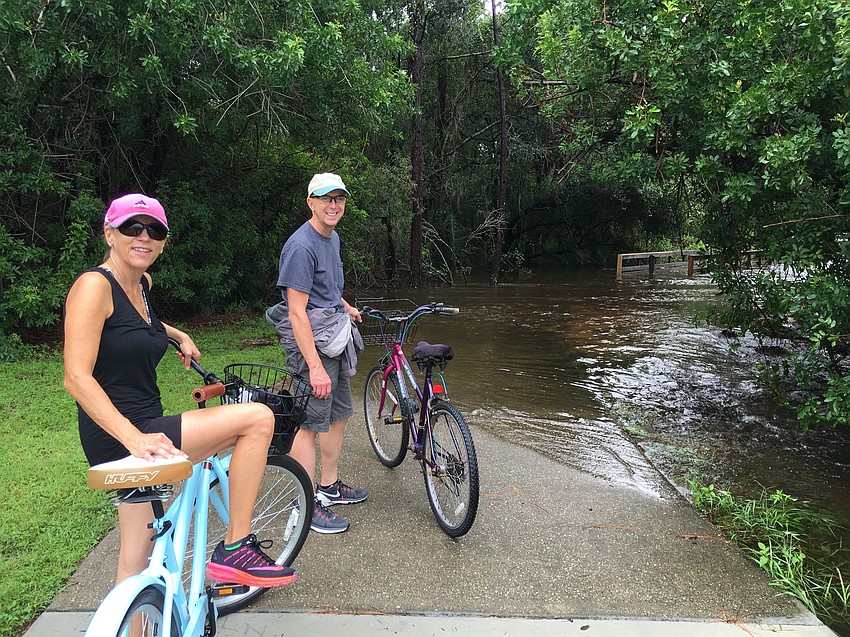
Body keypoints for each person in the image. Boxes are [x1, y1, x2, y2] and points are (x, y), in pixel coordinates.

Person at [63, 193, 297, 588]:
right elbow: (75, 377)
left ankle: (130, 621)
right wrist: (134, 438)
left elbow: (136, 325)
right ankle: (236, 547)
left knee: (137, 555)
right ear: (109, 233)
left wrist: (177, 334)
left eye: (155, 230)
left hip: (138, 429)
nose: (144, 236)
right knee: (258, 417)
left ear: (164, 240)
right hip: (127, 431)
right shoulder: (93, 286)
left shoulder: (140, 284)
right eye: (132, 227)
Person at [270, 172, 367, 534]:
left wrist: (346, 306)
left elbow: (324, 289)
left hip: (334, 336)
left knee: (338, 413)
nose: (333, 205)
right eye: (326, 198)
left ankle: (328, 486)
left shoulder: (333, 237)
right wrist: (314, 367)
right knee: (309, 424)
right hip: (311, 345)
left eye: (339, 198)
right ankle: (307, 504)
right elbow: (296, 311)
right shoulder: (301, 246)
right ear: (310, 202)